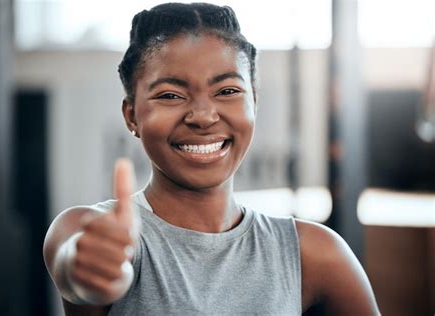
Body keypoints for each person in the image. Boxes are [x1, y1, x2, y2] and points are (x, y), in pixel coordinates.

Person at [43, 3, 380, 315]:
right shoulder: (82, 229)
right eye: (171, 95)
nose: (203, 116)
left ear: (255, 102)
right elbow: (75, 266)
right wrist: (92, 270)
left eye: (227, 91)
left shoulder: (312, 253)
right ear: (132, 115)